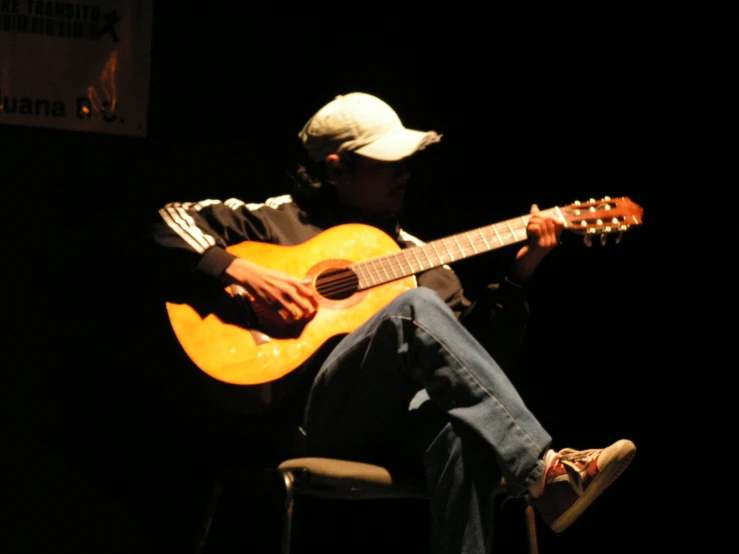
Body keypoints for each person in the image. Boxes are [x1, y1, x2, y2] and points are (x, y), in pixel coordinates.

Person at [149, 92, 636, 553]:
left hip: (393, 427)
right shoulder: (273, 221)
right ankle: (544, 474)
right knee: (417, 309)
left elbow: (476, 369)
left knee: (466, 428)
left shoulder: (413, 252)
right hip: (300, 418)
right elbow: (164, 221)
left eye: (405, 161)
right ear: (336, 169)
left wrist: (519, 274)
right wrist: (241, 270)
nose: (404, 173)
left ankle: (541, 478)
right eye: (388, 163)